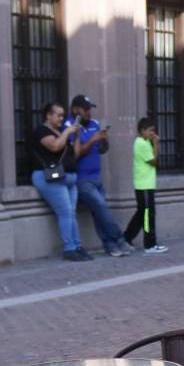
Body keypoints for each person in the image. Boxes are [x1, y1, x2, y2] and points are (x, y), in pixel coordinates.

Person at [65, 94, 130, 258]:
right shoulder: (70, 125)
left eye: (90, 109)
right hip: (81, 178)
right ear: (75, 110)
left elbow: (102, 150)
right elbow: (75, 154)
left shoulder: (94, 124)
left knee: (98, 212)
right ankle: (119, 238)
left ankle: (110, 246)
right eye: (85, 109)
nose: (89, 112)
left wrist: (104, 141)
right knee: (102, 207)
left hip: (97, 177)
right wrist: (93, 139)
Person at [30, 102, 87, 261]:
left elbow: (74, 155)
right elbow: (54, 147)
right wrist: (68, 131)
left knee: (71, 214)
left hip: (68, 178)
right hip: (49, 177)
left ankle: (77, 246)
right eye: (58, 115)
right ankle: (69, 248)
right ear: (48, 115)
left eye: (63, 115)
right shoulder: (41, 131)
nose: (62, 118)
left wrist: (75, 136)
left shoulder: (61, 132)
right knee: (66, 213)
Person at [123, 117, 167, 254]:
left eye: (153, 130)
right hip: (144, 185)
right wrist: (157, 144)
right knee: (148, 214)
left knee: (141, 214)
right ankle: (150, 244)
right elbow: (153, 162)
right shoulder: (141, 143)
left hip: (145, 184)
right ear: (142, 130)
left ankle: (126, 238)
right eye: (150, 130)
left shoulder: (145, 142)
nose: (152, 133)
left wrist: (153, 143)